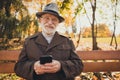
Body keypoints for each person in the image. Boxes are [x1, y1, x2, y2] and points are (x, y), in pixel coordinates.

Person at [14, 3, 83, 80]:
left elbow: (79, 66)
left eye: (54, 19)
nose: (50, 22)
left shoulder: (67, 41)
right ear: (40, 20)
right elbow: (19, 67)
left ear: (58, 23)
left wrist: (61, 66)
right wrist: (34, 66)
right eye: (47, 18)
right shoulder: (29, 41)